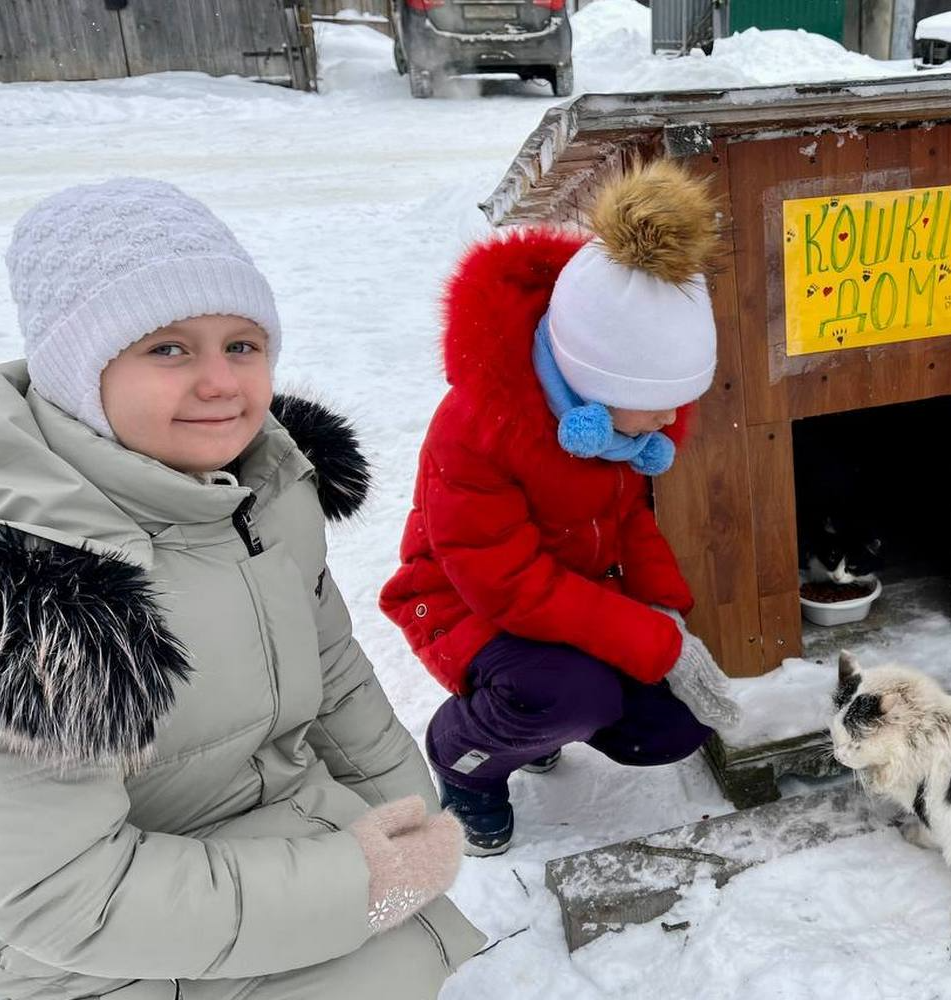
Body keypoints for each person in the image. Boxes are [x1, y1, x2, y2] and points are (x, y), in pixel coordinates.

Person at [0, 178, 484, 1000]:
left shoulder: (266, 489)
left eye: (242, 345)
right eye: (168, 348)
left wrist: (405, 811)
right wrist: (357, 883)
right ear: (77, 372)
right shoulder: (44, 592)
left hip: (277, 857)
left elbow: (331, 670)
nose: (222, 382)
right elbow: (60, 893)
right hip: (98, 957)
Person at [381, 160, 741, 856]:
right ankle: (466, 757)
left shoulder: (617, 426)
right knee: (569, 694)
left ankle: (536, 717)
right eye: (658, 398)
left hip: (571, 593)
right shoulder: (479, 427)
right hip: (465, 602)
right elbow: (504, 583)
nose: (672, 415)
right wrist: (645, 640)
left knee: (669, 727)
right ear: (591, 379)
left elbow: (629, 519)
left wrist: (663, 611)